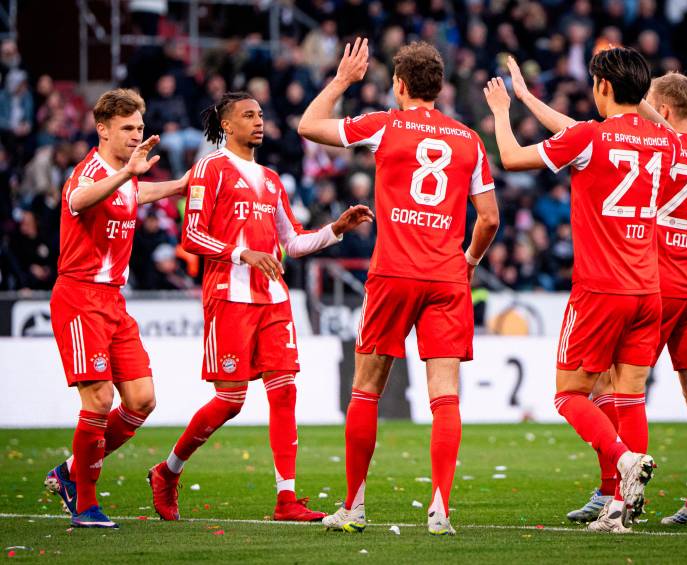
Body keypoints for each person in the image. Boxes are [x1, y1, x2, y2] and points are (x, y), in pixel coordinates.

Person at [297, 39, 500, 535]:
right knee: (444, 397)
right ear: (441, 87)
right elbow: (490, 219)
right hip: (447, 277)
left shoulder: (385, 125)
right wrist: (468, 261)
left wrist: (343, 80)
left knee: (365, 390)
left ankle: (355, 506)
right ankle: (439, 510)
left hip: (393, 273)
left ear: (401, 85)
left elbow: (308, 125)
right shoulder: (469, 139)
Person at [147, 92, 373, 523]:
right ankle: (167, 471)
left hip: (272, 300)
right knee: (230, 401)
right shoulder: (209, 170)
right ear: (226, 125)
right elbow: (191, 236)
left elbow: (292, 243)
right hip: (229, 296)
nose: (258, 121)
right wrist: (243, 254)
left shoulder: (271, 179)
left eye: (261, 115)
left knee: (285, 391)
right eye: (248, 115)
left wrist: (335, 230)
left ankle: (286, 500)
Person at [483, 47, 681, 533]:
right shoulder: (665, 143)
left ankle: (622, 461)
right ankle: (619, 508)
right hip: (647, 290)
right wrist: (530, 97)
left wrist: (504, 111)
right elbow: (610, 130)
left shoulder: (590, 137)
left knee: (569, 395)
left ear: (603, 89)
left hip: (599, 290)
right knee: (630, 396)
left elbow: (510, 157)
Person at [567, 73, 687, 526]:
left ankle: (614, 492)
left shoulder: (659, 150)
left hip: (653, 283)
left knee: (614, 388)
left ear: (660, 110)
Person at [44, 89, 189, 528]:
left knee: (142, 400)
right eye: (127, 128)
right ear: (102, 129)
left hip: (113, 300)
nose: (135, 135)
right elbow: (78, 200)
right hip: (79, 296)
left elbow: (136, 193)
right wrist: (126, 172)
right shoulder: (88, 171)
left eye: (140, 128)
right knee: (100, 397)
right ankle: (84, 502)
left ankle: (71, 470)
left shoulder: (125, 177)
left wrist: (181, 185)